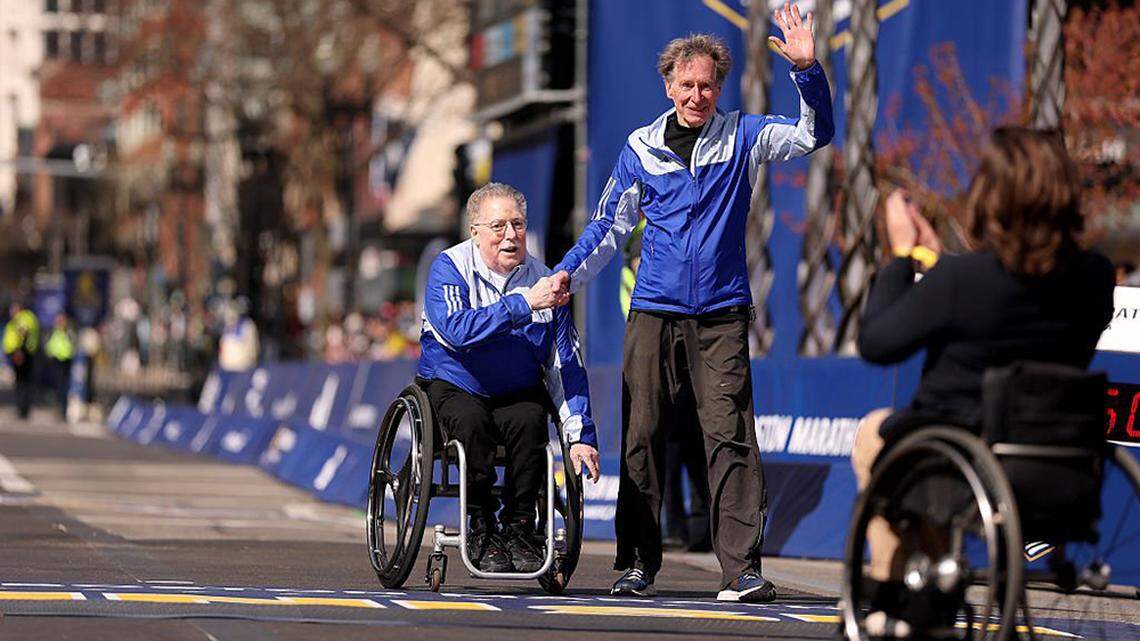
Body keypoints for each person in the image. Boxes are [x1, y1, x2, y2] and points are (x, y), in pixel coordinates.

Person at [548, 5, 834, 601]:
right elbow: (606, 228)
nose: (697, 95)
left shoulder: (745, 137)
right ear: (668, 86)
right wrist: (564, 277)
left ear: (719, 88)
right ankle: (635, 564)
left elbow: (814, 135)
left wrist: (807, 70)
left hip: (723, 314)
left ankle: (741, 571)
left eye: (707, 85)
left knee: (729, 437)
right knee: (643, 435)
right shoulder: (639, 150)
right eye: (686, 84)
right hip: (653, 311)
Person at [852, 127, 1115, 632]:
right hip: (1055, 461)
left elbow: (878, 343)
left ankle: (896, 591)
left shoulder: (961, 279)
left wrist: (904, 258)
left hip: (958, 455)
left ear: (990, 194)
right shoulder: (1095, 277)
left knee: (871, 437)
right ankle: (930, 592)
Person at [418, 182, 601, 573]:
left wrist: (580, 436)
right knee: (471, 424)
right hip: (458, 380)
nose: (510, 235)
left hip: (514, 387)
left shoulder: (545, 280)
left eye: (517, 224)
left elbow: (563, 364)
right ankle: (481, 523)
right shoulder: (448, 268)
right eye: (498, 226)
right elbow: (456, 330)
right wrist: (522, 304)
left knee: (531, 420)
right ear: (475, 232)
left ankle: (520, 526)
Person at [3, 301, 40, 419]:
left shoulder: (23, 318)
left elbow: (23, 333)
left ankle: (23, 409)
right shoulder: (23, 318)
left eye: (13, 309)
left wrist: (19, 351)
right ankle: (22, 409)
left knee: (22, 382)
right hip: (21, 353)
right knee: (22, 381)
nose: (11, 312)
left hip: (22, 354)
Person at [44, 313, 76, 420]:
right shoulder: (53, 331)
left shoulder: (68, 332)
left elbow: (73, 344)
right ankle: (58, 407)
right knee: (57, 386)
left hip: (66, 361)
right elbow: (49, 344)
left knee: (64, 386)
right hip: (55, 361)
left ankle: (63, 410)